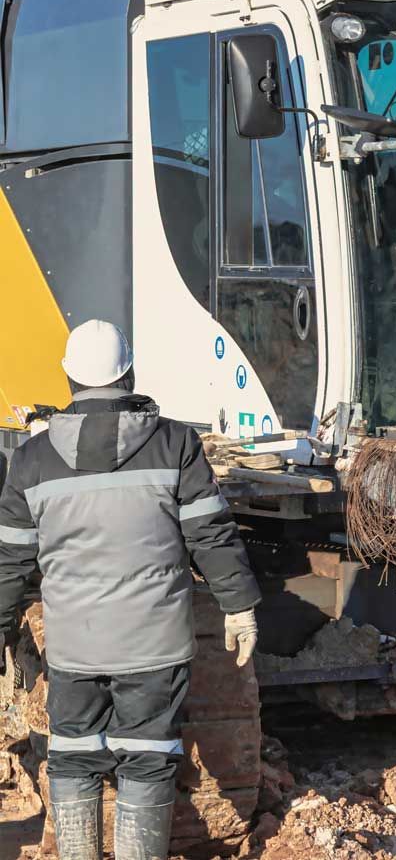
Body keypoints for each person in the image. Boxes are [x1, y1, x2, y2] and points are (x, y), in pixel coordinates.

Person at [0, 320, 261, 860]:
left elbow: (9, 559)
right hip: (155, 645)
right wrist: (238, 607)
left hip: (75, 646)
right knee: (147, 756)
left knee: (73, 757)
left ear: (69, 377)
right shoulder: (175, 442)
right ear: (130, 372)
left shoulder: (31, 459)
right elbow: (210, 532)